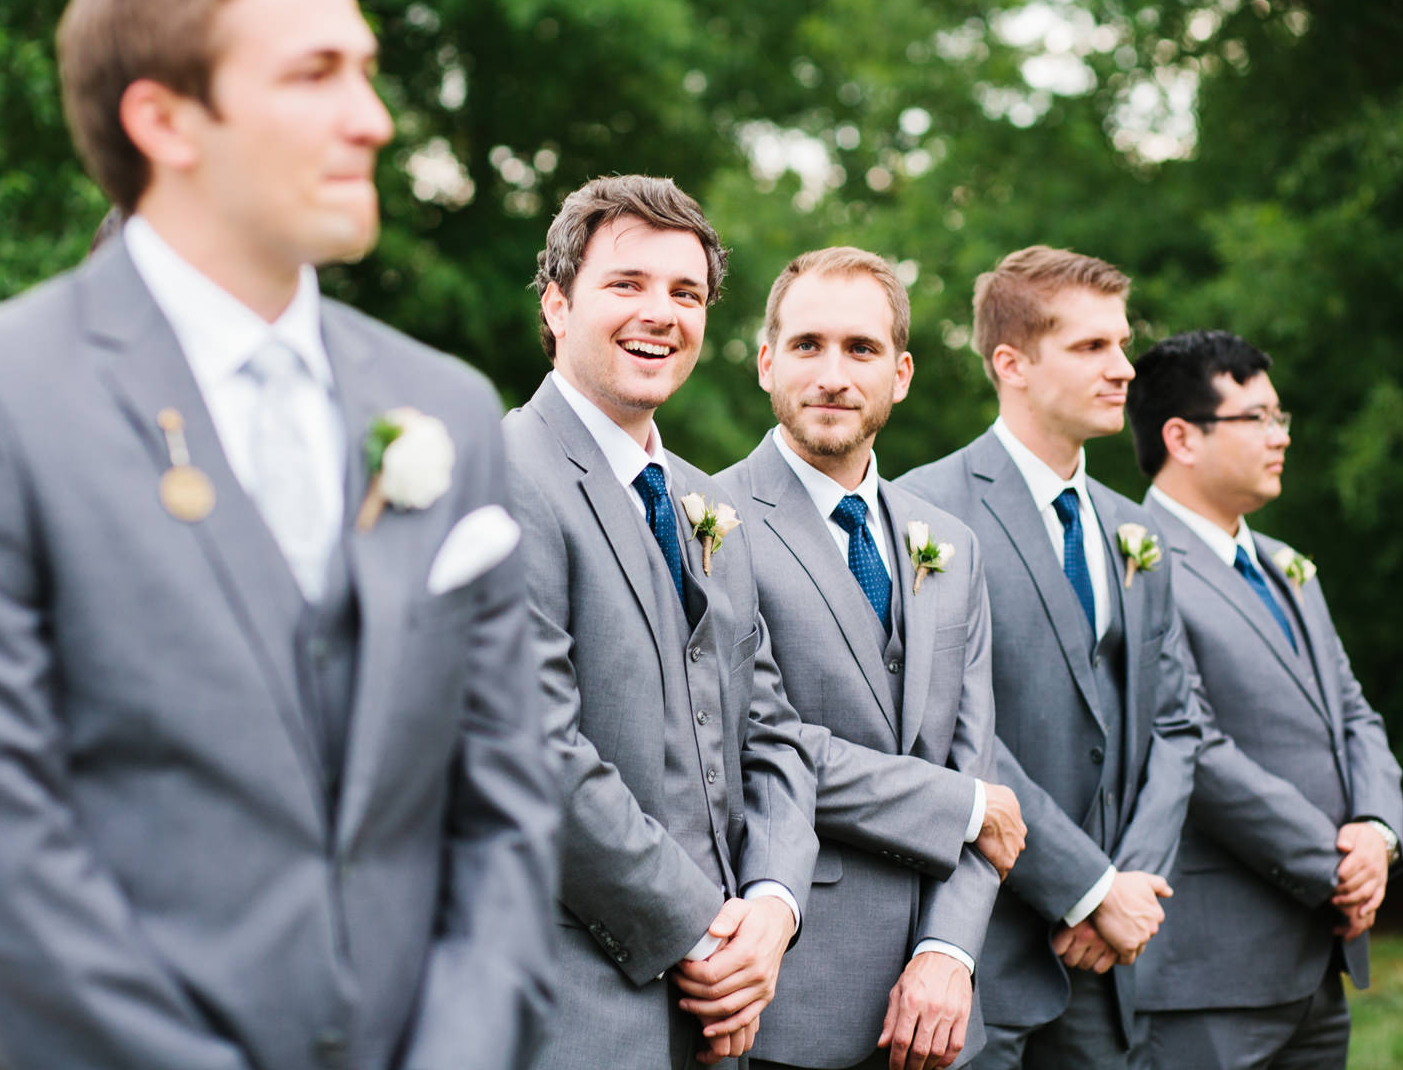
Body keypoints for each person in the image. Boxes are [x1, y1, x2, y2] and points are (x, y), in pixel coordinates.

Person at [0, 0, 557, 1070]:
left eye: (368, 72)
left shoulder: (445, 406)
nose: (373, 119)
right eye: (315, 74)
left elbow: (506, 816)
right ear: (164, 118)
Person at [504, 175, 818, 1069]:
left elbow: (775, 733)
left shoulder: (705, 503)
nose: (662, 313)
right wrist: (702, 931)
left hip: (729, 1010)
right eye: (627, 284)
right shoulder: (503, 475)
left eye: (686, 294)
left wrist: (772, 905)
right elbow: (536, 749)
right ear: (558, 305)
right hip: (575, 1007)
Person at [718, 247, 1023, 1070]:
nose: (832, 374)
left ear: (902, 373)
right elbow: (758, 741)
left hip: (943, 1014)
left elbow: (978, 758)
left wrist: (948, 954)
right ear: (765, 362)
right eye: (808, 345)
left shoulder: (950, 544)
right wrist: (961, 805)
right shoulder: (709, 523)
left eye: (861, 349)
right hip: (788, 1004)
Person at [898, 245, 1202, 1070]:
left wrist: (1124, 891)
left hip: (1110, 968)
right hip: (975, 951)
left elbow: (1177, 722)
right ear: (1012, 363)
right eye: (1091, 347)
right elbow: (946, 730)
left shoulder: (1133, 527)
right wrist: (1087, 887)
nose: (1124, 369)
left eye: (1122, 343)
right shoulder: (921, 510)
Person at [1124, 330, 1403, 1069]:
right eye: (1257, 419)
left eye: (1281, 417)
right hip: (1211, 970)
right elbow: (1193, 747)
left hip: (1318, 959)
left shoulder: (1285, 564)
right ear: (1181, 437)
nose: (1279, 437)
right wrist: (1334, 865)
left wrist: (1377, 831)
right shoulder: (1136, 559)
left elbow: (1352, 711)